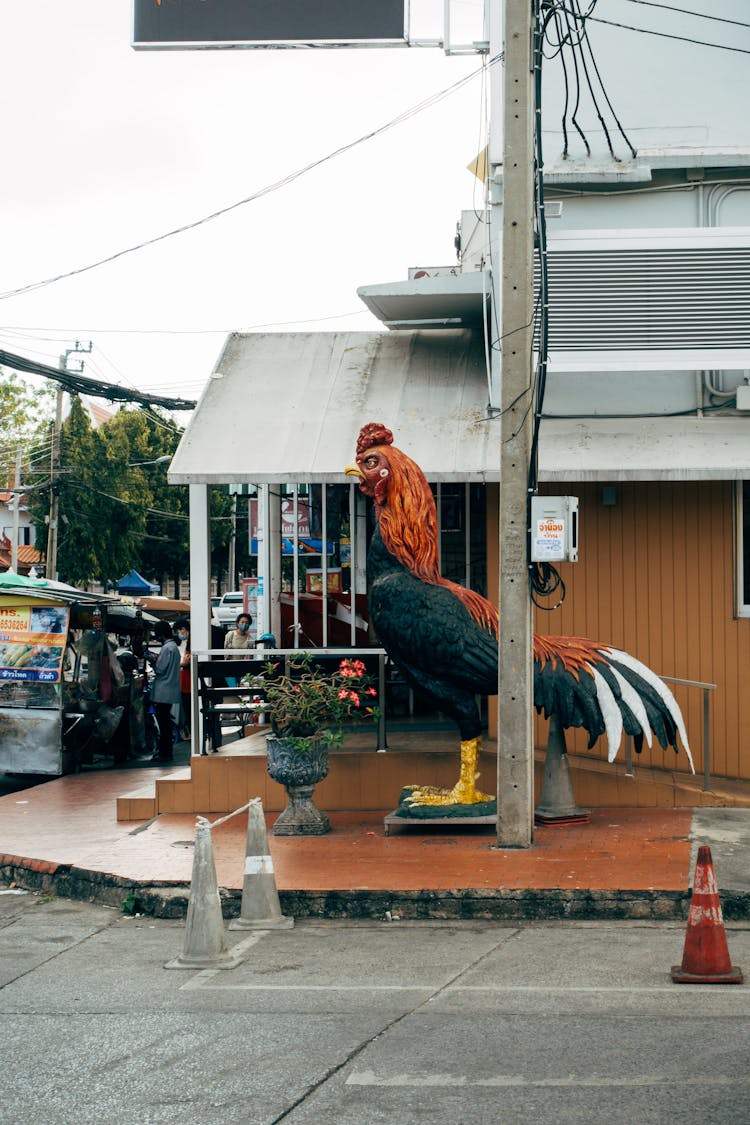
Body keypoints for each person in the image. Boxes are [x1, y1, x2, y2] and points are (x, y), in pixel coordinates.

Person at [148, 619, 181, 763]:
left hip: (163, 691)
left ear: (161, 634)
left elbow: (161, 669)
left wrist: (153, 661)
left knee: (163, 724)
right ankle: (166, 751)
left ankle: (165, 752)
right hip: (170, 690)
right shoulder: (173, 647)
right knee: (165, 722)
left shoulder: (167, 648)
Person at [223, 612, 253, 686]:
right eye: (242, 622)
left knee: (239, 687)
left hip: (241, 667)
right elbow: (225, 650)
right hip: (229, 666)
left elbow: (250, 654)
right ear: (237, 623)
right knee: (233, 687)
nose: (244, 624)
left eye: (247, 623)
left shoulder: (249, 638)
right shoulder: (231, 634)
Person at [175, 618, 191, 741]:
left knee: (189, 707)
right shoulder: (179, 644)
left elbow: (186, 662)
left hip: (188, 679)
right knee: (185, 708)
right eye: (178, 630)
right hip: (181, 679)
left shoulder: (191, 644)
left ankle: (191, 731)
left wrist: (178, 665)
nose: (180, 632)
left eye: (182, 629)